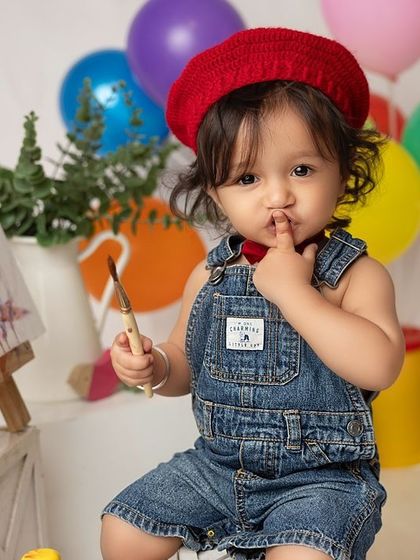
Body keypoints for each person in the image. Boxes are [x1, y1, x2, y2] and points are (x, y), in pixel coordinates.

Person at [100, 27, 405, 560]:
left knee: (305, 553)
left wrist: (296, 294)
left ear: (343, 174)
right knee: (123, 531)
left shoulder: (354, 276)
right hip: (217, 468)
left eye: (302, 170)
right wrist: (154, 367)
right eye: (247, 179)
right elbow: (184, 365)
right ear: (214, 192)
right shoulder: (211, 276)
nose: (278, 195)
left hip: (322, 481)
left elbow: (379, 367)